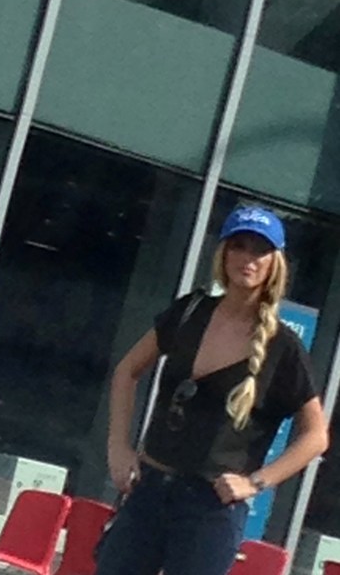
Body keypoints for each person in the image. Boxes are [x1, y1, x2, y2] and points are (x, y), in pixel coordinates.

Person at [98, 206, 329, 575]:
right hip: (149, 487)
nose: (248, 258)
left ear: (275, 263)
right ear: (223, 252)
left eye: (260, 250)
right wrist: (118, 447)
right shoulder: (190, 311)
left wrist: (255, 482)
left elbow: (316, 436)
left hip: (210, 508)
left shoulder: (283, 347)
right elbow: (127, 371)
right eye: (239, 245)